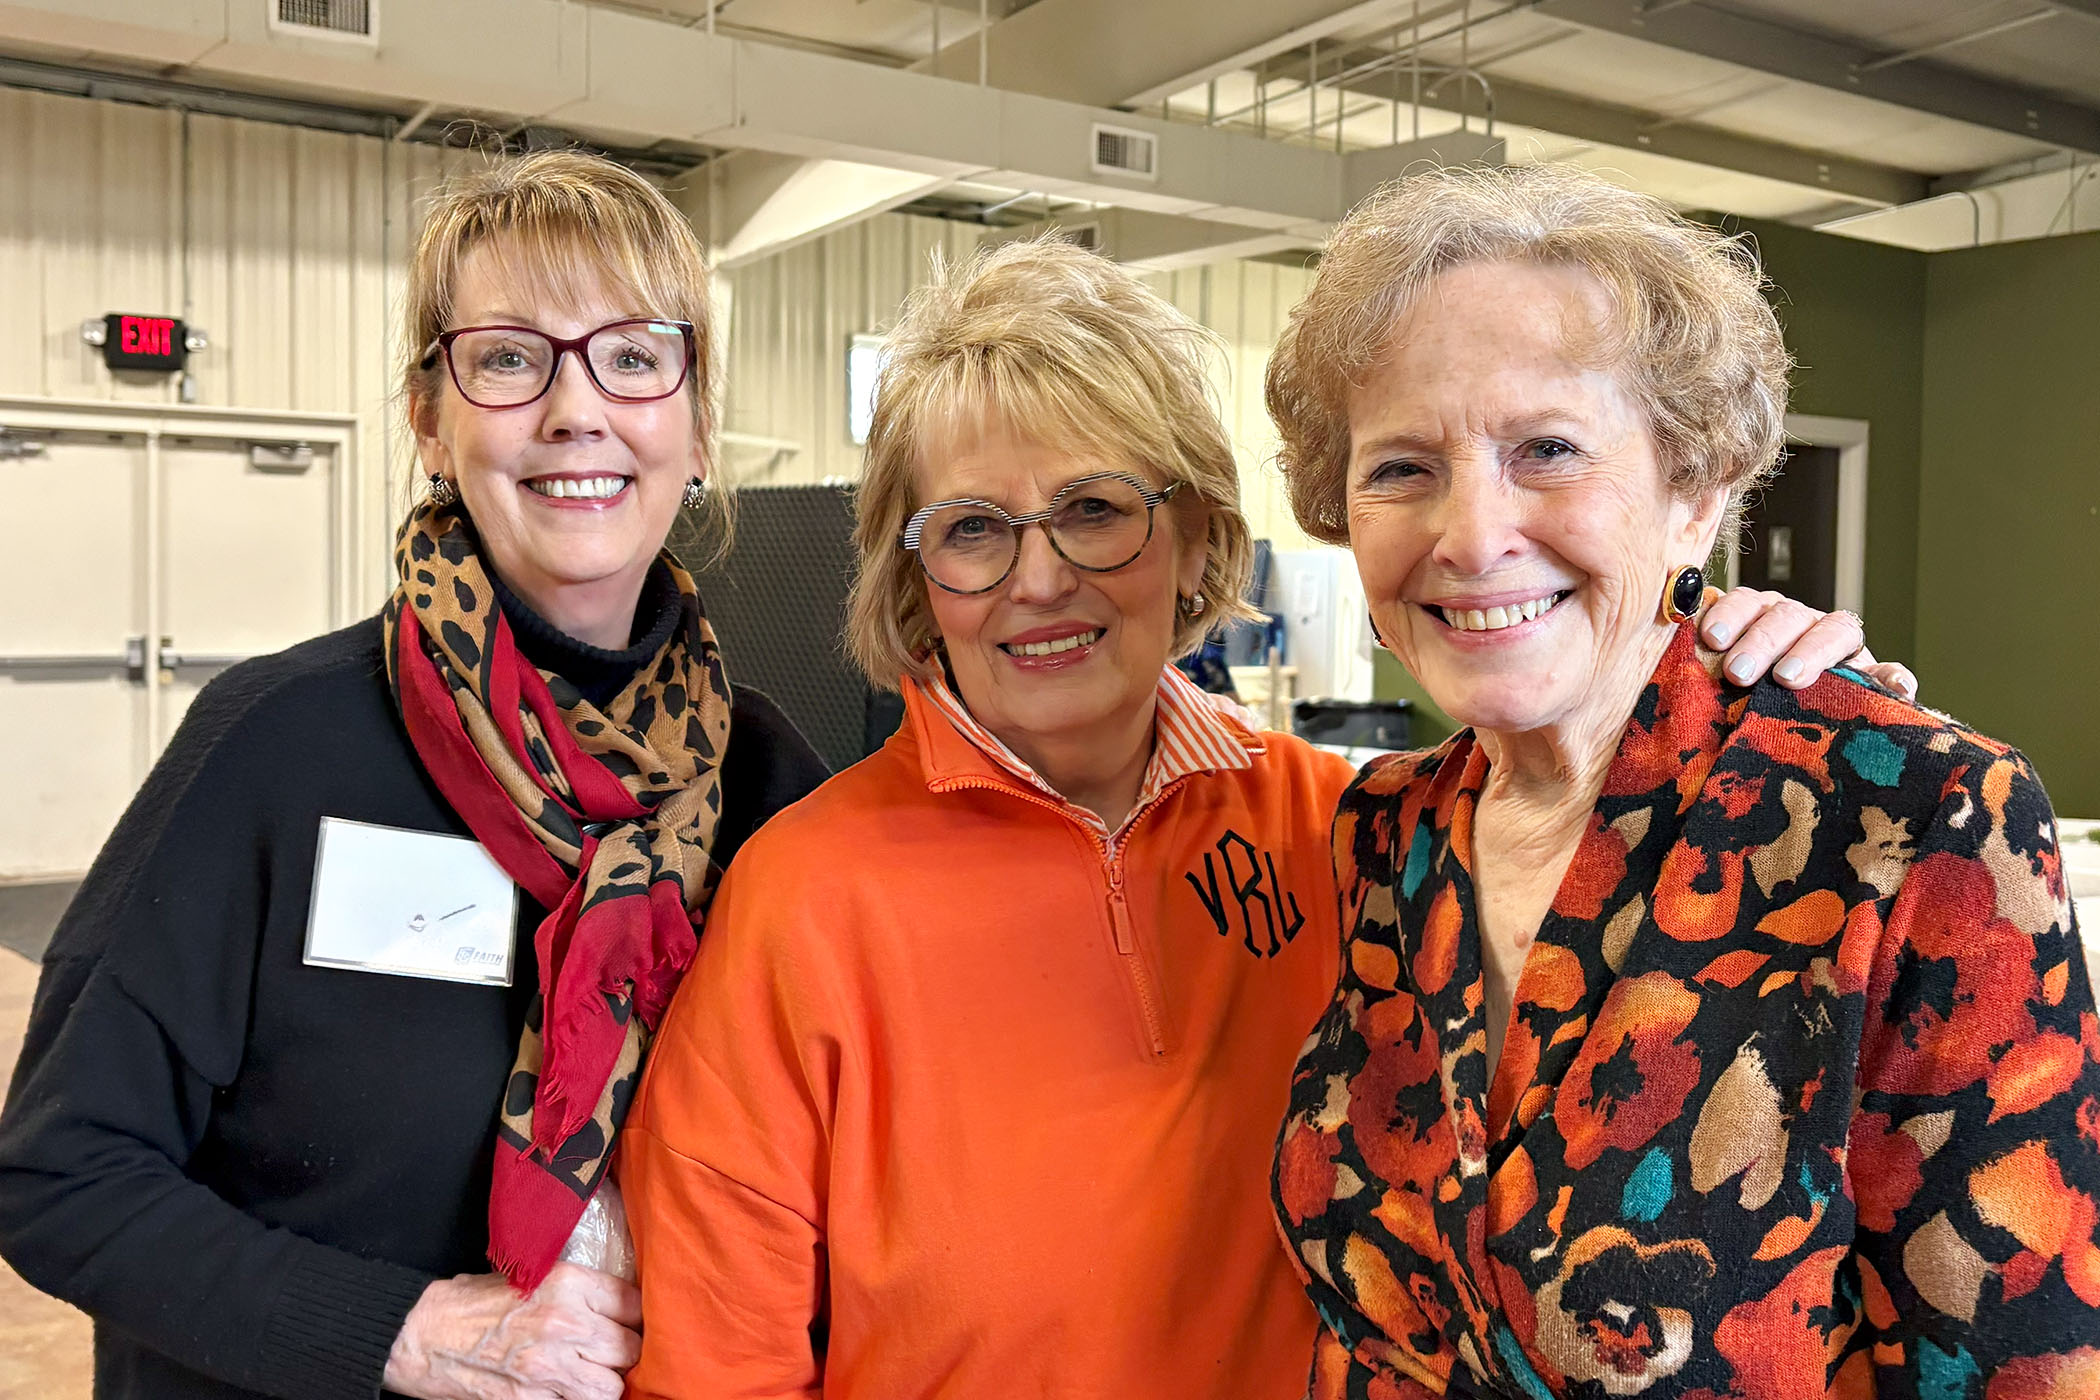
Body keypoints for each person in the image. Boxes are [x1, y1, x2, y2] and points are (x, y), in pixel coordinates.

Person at [615, 238, 1894, 1399]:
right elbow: (719, 1358)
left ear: (1197, 532)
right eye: (972, 530)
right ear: (917, 573)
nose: (1040, 576)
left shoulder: (1357, 833)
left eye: (1096, 509)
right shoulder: (805, 893)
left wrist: (1755, 676)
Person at [0, 150, 828, 1400]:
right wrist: (408, 1330)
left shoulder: (771, 791)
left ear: (696, 420)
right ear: (429, 419)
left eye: (636, 354)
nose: (575, 410)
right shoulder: (278, 745)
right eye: (507, 358)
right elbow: (59, 1170)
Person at [1268, 163, 2098, 1399]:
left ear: (1695, 497)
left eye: (1547, 448)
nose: (1469, 532)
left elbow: (2011, 1363)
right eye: (1400, 468)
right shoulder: (1387, 834)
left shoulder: (1908, 818)